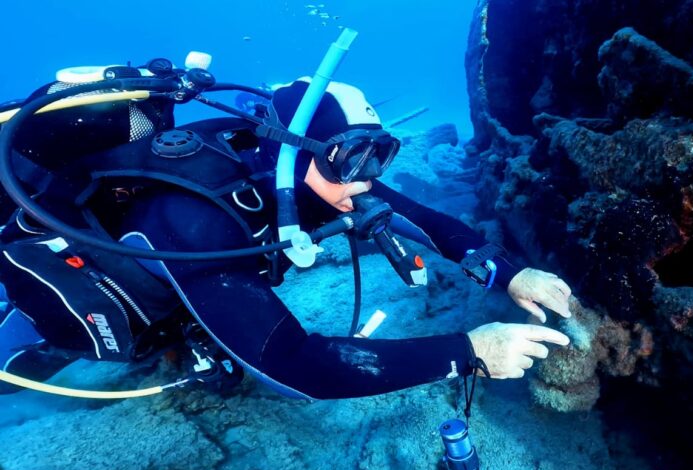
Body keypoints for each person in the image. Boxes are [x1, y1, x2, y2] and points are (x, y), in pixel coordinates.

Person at [0, 78, 573, 399]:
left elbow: (421, 217)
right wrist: (469, 353)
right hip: (80, 292)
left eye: (378, 154)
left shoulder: (310, 177)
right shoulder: (195, 220)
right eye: (350, 157)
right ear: (289, 155)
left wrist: (507, 271)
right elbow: (296, 366)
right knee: (31, 353)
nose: (368, 179)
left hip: (188, 285)